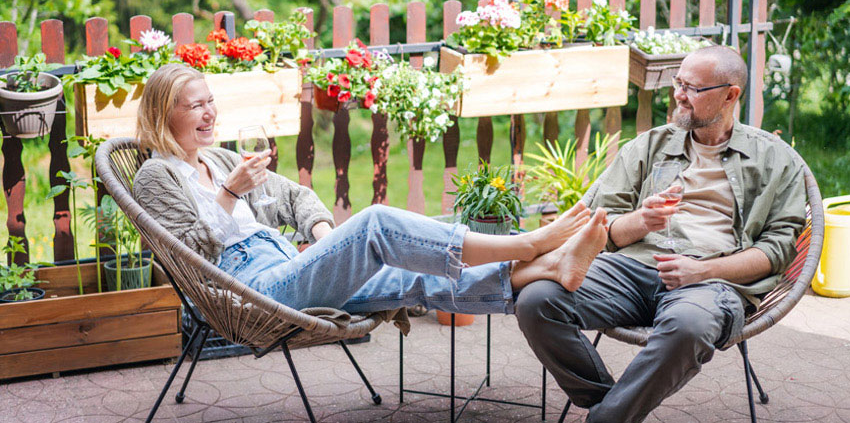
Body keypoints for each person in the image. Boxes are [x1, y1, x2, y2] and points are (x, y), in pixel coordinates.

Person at [132, 63, 609, 320]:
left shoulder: (219, 160)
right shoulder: (156, 176)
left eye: (211, 101)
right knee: (376, 222)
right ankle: (527, 243)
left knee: (415, 278)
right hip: (251, 291)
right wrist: (230, 195)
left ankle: (547, 267)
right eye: (195, 106)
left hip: (289, 268)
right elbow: (187, 252)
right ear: (163, 114)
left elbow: (297, 198)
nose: (210, 113)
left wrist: (326, 241)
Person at [515, 45, 807, 423]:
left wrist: (701, 271)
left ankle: (607, 417)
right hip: (631, 269)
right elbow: (600, 224)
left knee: (690, 327)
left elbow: (779, 249)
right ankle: (613, 409)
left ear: (730, 95)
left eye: (692, 88)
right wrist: (641, 221)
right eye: (678, 82)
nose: (678, 95)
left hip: (712, 281)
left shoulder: (774, 158)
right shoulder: (650, 145)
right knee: (536, 300)